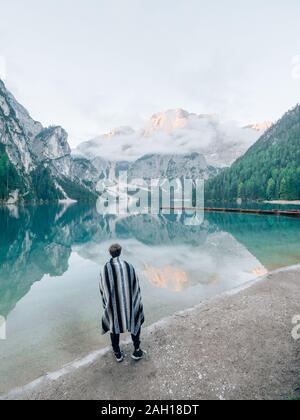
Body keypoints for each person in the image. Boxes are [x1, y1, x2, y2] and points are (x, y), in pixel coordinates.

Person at [99, 244, 145, 363]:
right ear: (120, 252)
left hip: (114, 306)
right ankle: (137, 350)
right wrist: (135, 301)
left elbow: (103, 289)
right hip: (130, 303)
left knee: (114, 326)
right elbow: (136, 286)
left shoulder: (105, 269)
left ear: (110, 253)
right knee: (134, 321)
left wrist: (108, 304)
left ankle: (117, 353)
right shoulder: (129, 266)